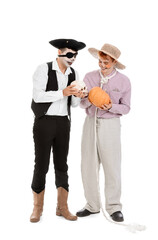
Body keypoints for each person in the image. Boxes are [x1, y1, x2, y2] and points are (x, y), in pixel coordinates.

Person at [30, 38, 86, 222]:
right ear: (59, 53)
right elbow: (38, 96)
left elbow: (75, 104)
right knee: (42, 165)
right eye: (70, 54)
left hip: (63, 123)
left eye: (75, 55)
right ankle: (37, 208)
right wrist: (63, 92)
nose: (73, 58)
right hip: (44, 122)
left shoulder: (74, 73)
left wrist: (77, 95)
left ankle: (62, 207)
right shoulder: (44, 69)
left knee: (62, 165)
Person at [76, 43, 131, 222]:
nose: (102, 65)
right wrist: (86, 98)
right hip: (90, 122)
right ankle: (92, 205)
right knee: (88, 165)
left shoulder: (124, 81)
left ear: (114, 62)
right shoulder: (89, 77)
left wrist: (111, 107)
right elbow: (82, 104)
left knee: (112, 166)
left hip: (111, 124)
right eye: (100, 61)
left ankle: (114, 207)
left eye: (106, 62)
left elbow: (126, 107)